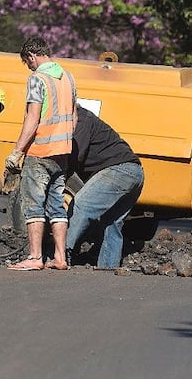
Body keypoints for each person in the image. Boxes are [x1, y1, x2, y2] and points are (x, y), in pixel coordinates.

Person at [6, 37, 77, 271]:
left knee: (33, 205)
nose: (28, 67)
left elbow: (33, 118)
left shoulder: (37, 80)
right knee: (57, 205)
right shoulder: (68, 77)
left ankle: (35, 257)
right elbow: (74, 118)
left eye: (27, 62)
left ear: (32, 56)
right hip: (62, 153)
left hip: (40, 152)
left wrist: (17, 151)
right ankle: (60, 258)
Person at [66, 105, 144, 269]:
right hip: (135, 172)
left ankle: (63, 255)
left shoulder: (81, 119)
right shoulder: (84, 119)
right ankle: (108, 268)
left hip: (120, 170)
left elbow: (75, 156)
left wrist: (58, 177)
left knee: (80, 205)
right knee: (112, 222)